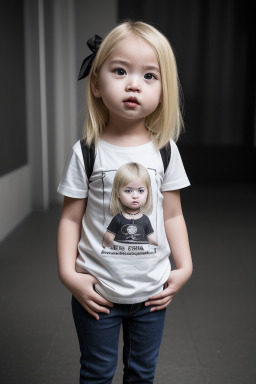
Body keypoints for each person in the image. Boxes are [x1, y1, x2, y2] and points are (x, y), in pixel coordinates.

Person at [57, 20, 193, 384]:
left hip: (152, 293)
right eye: (120, 71)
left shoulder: (164, 151)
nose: (134, 84)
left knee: (142, 373)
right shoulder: (87, 152)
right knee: (97, 373)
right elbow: (71, 219)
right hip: (97, 292)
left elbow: (173, 214)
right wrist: (69, 275)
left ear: (163, 92)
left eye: (150, 76)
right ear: (97, 84)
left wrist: (185, 265)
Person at [103, 162, 158, 247]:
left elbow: (152, 239)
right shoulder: (118, 218)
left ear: (148, 193)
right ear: (118, 193)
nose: (135, 196)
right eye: (128, 191)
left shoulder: (145, 219)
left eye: (140, 191)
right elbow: (108, 237)